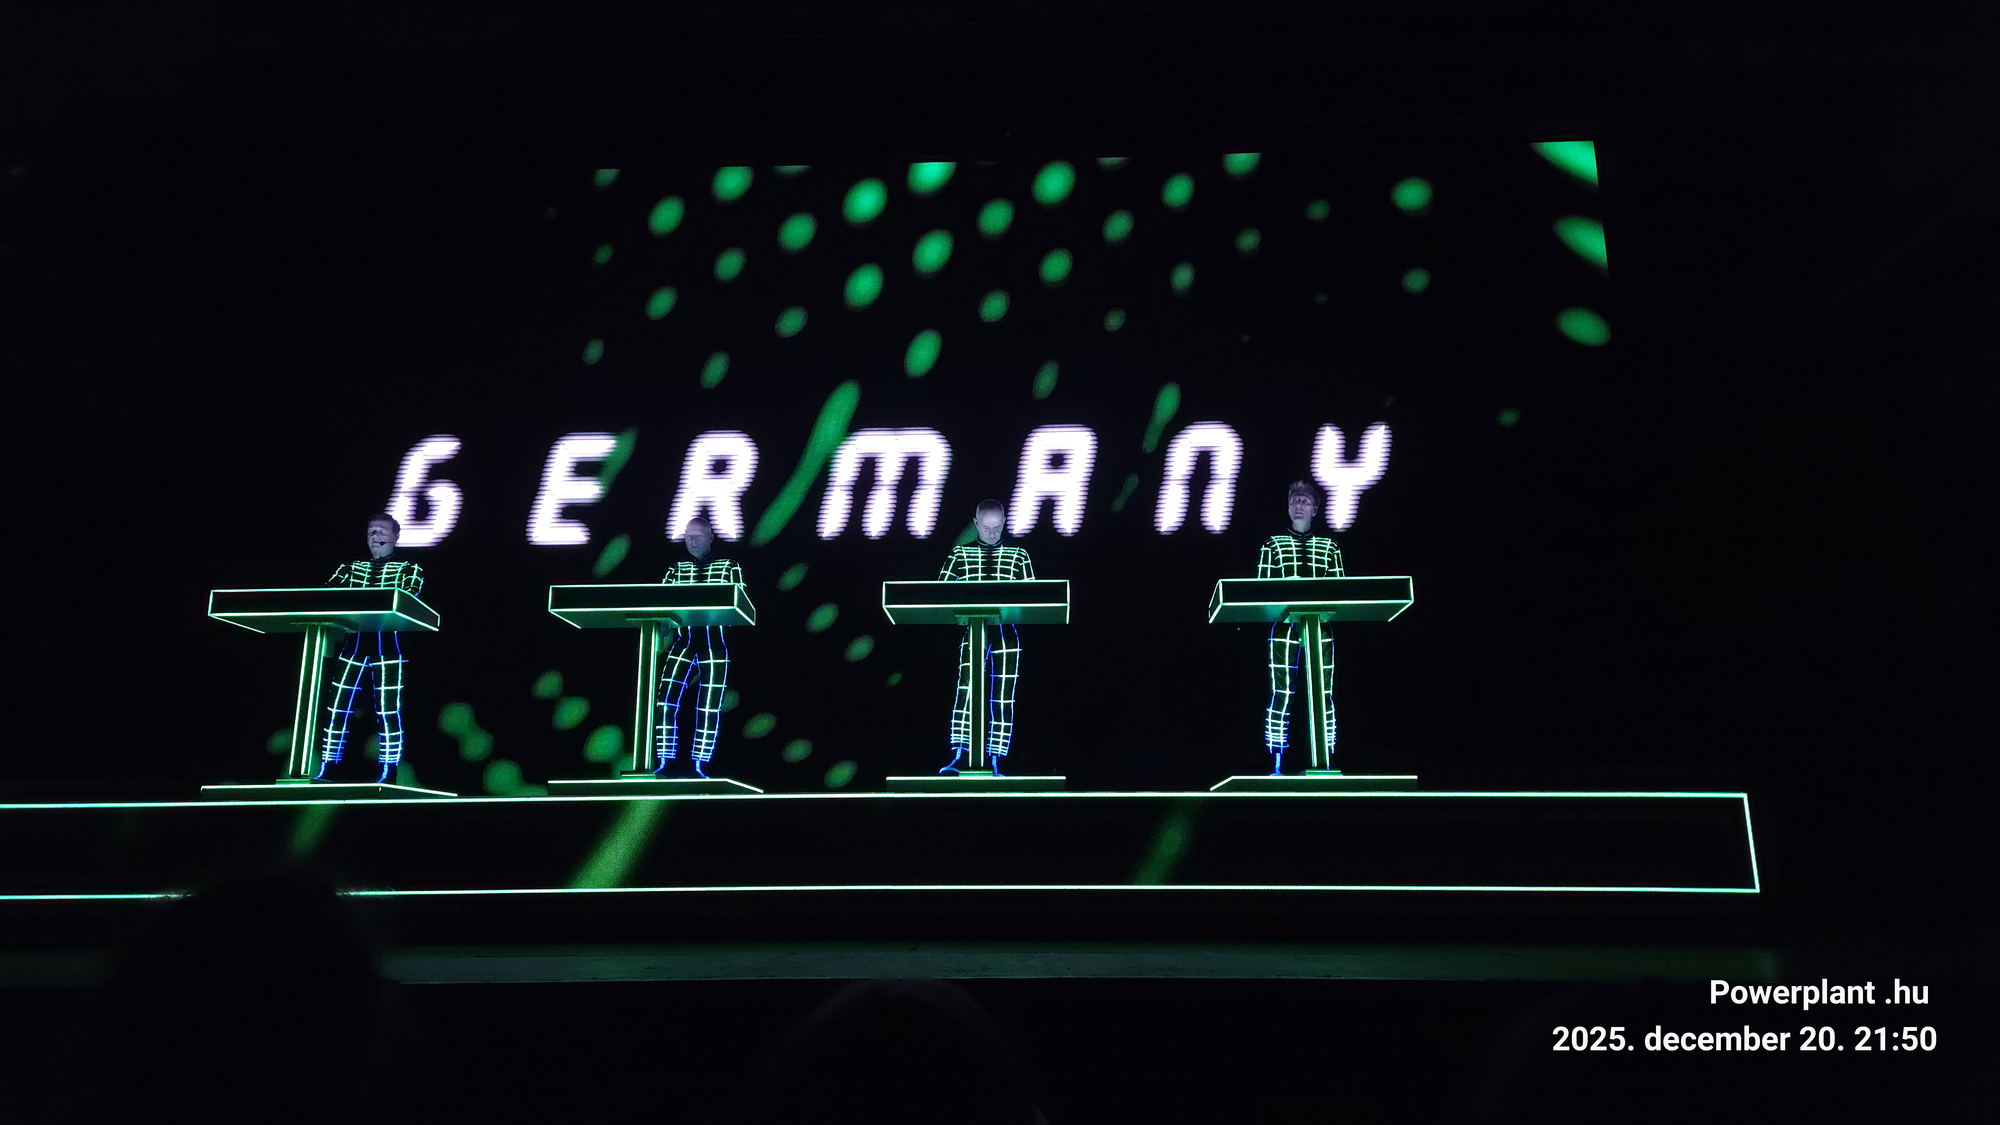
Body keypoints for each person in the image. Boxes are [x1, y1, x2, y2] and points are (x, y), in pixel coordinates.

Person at [320, 512, 423, 783]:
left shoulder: (409, 568)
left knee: (388, 710)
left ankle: (389, 767)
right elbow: (325, 595)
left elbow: (408, 597)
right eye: (371, 531)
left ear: (396, 536)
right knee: (337, 707)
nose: (375, 535)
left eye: (381, 530)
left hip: (388, 647)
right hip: (353, 646)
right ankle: (329, 764)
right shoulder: (350, 568)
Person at [938, 499, 1034, 774]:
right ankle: (961, 753)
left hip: (1006, 631)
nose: (991, 533)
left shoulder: (1019, 555)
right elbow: (939, 593)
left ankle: (997, 757)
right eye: (986, 527)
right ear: (976, 524)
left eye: (996, 528)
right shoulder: (960, 555)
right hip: (973, 629)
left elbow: (1033, 596)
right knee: (967, 689)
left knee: (1003, 695)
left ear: (1003, 524)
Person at [1258, 480, 1345, 775]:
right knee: (1281, 693)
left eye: (1305, 501)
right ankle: (1276, 763)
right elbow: (1260, 591)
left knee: (1324, 694)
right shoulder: (1272, 545)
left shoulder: (1330, 547)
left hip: (1320, 627)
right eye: (1295, 500)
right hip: (1283, 628)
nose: (1299, 505)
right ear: (1287, 507)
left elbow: (1342, 592)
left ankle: (1327, 760)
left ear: (1315, 509)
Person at [653, 516, 743, 778]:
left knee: (709, 705)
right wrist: (662, 631)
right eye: (688, 536)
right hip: (684, 641)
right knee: (666, 699)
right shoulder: (676, 570)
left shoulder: (729, 566)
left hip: (714, 643)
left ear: (710, 537)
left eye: (698, 536)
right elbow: (659, 604)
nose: (692, 541)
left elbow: (740, 602)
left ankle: (701, 764)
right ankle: (665, 760)